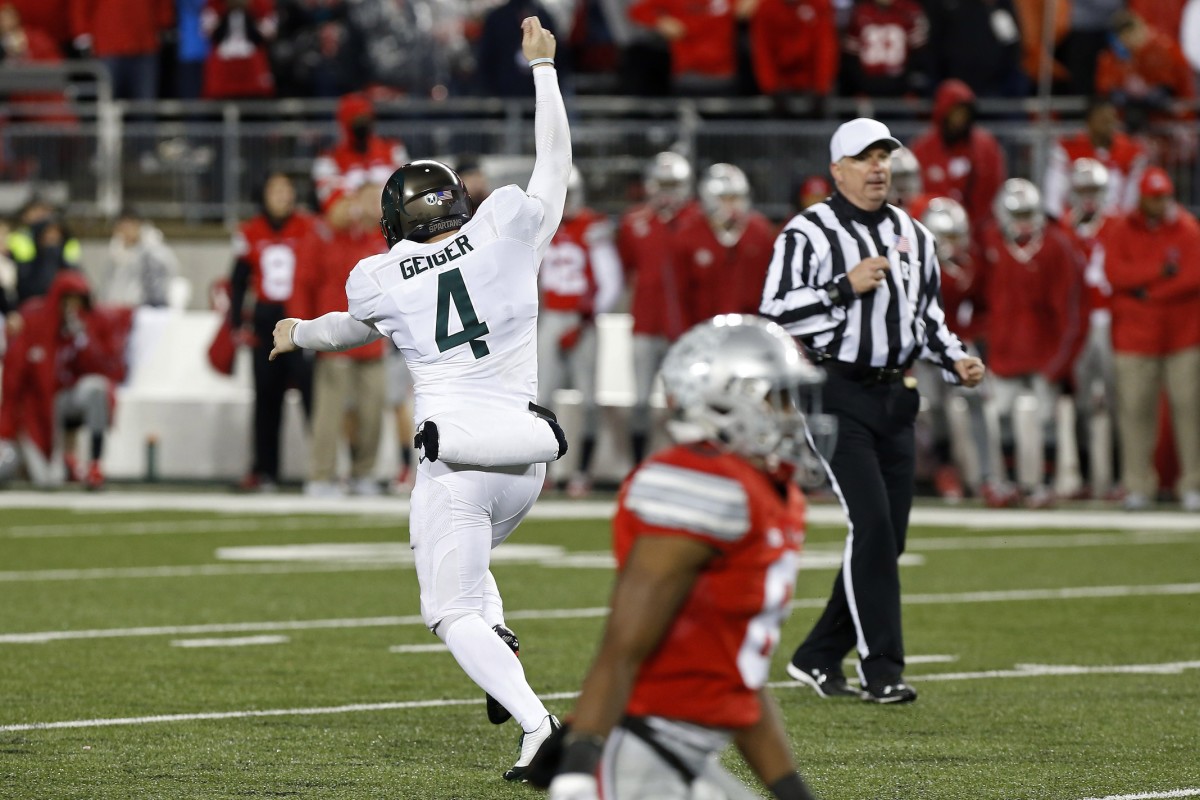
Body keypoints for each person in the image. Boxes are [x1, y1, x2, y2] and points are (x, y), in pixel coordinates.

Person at [268, 16, 569, 779]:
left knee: (448, 607)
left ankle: (538, 725)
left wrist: (295, 331)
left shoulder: (381, 276)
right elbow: (553, 169)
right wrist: (543, 71)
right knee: (471, 580)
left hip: (457, 455)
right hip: (529, 457)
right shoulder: (504, 228)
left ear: (396, 220)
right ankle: (499, 645)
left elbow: (349, 331)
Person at [528, 315, 828, 800]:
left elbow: (736, 680)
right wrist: (580, 761)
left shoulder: (774, 493)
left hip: (681, 755)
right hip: (639, 755)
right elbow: (624, 641)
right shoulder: (702, 484)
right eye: (779, 396)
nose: (792, 414)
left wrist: (793, 790)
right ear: (726, 397)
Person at [759, 118, 985, 703]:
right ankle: (882, 668)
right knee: (874, 525)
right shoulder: (807, 232)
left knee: (890, 537)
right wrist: (842, 287)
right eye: (865, 158)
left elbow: (927, 317)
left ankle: (815, 656)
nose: (879, 166)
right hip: (837, 392)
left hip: (897, 394)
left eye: (884, 155)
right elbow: (775, 313)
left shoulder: (915, 235)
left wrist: (955, 358)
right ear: (838, 170)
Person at [977, 179, 1085, 508]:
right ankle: (1009, 482)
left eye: (1028, 212)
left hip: (1044, 351)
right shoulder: (990, 242)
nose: (1024, 220)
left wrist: (1060, 360)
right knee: (1003, 417)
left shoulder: (1055, 246)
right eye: (1017, 213)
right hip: (1006, 349)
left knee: (1047, 420)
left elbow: (1070, 311)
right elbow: (977, 296)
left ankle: (1045, 485)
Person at [1097, 167, 1200, 511]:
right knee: (1135, 412)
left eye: (1165, 196)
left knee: (1189, 411)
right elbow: (1114, 273)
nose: (1161, 203)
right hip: (1135, 338)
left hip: (1182, 336)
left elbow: (1192, 277)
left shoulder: (1186, 229)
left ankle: (1192, 484)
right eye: (1155, 197)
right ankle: (1138, 485)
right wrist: (1158, 272)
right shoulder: (1121, 229)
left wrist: (1145, 292)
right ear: (1142, 197)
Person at [288, 182, 388, 498]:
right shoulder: (325, 236)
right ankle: (321, 475)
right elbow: (303, 283)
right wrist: (300, 331)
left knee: (372, 412)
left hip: (373, 339)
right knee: (328, 413)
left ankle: (364, 473)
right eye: (367, 199)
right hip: (333, 338)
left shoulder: (385, 238)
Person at [228, 171, 318, 492]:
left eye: (286, 189)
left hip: (301, 320)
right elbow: (238, 282)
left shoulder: (308, 227)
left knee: (314, 397)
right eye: (275, 189)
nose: (282, 196)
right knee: (266, 399)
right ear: (263, 195)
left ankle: (323, 470)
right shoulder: (250, 231)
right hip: (266, 322)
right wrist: (237, 323)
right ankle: (266, 470)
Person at [538, 166, 623, 498]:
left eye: (570, 194)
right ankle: (541, 470)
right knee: (540, 397)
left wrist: (586, 319)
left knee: (588, 398)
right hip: (551, 316)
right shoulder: (544, 225)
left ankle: (582, 472)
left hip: (581, 318)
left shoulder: (592, 226)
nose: (566, 201)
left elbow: (611, 282)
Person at [0, 271, 128, 490]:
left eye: (78, 301)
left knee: (97, 388)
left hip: (61, 399)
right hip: (33, 410)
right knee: (41, 477)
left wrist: (83, 340)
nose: (73, 307)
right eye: (69, 300)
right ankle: (33, 461)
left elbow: (105, 369)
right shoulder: (34, 318)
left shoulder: (84, 325)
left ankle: (95, 463)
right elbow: (15, 375)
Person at [617, 151, 699, 464]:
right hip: (646, 322)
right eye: (662, 184)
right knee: (639, 400)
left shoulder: (695, 221)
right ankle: (637, 464)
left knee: (683, 401)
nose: (666, 191)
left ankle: (687, 463)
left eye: (673, 184)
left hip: (684, 327)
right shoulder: (633, 222)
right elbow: (627, 268)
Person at [675, 163, 775, 326]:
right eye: (724, 198)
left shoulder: (759, 231)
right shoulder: (689, 233)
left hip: (749, 327)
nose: (730, 205)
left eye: (735, 198)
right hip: (704, 328)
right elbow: (680, 293)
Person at [1042, 95, 1147, 221]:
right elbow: (1055, 186)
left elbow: (1132, 194)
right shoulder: (1069, 147)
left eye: (1112, 120)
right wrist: (1055, 218)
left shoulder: (1131, 151)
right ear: (1089, 122)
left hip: (1114, 222)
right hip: (1075, 220)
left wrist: (1124, 224)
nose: (1109, 125)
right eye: (1103, 120)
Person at [311, 92, 409, 217]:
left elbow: (408, 196)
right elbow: (335, 213)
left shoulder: (394, 150)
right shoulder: (327, 161)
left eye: (365, 118)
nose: (363, 124)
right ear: (344, 123)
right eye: (356, 120)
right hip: (351, 234)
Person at [97, 207, 181, 308]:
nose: (125, 231)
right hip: (116, 311)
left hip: (145, 312)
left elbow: (158, 289)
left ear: (139, 225)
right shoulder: (114, 254)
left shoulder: (154, 253)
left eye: (129, 226)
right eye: (121, 227)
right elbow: (107, 286)